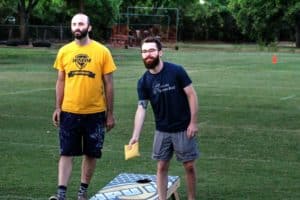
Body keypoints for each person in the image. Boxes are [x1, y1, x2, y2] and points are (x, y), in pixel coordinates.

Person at [49, 13, 117, 200]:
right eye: (74, 24)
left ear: (89, 27)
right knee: (66, 152)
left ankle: (82, 192)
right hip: (69, 111)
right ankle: (61, 194)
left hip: (95, 113)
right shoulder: (64, 51)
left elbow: (109, 84)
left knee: (91, 153)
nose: (77, 27)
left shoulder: (102, 51)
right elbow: (60, 81)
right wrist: (58, 107)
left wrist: (110, 114)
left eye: (81, 23)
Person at [128, 37, 199, 200]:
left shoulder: (176, 71)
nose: (148, 54)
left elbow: (192, 95)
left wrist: (193, 122)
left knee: (189, 166)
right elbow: (141, 108)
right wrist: (135, 136)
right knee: (161, 166)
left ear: (160, 52)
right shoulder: (143, 82)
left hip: (183, 127)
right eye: (144, 51)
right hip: (162, 130)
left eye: (151, 50)